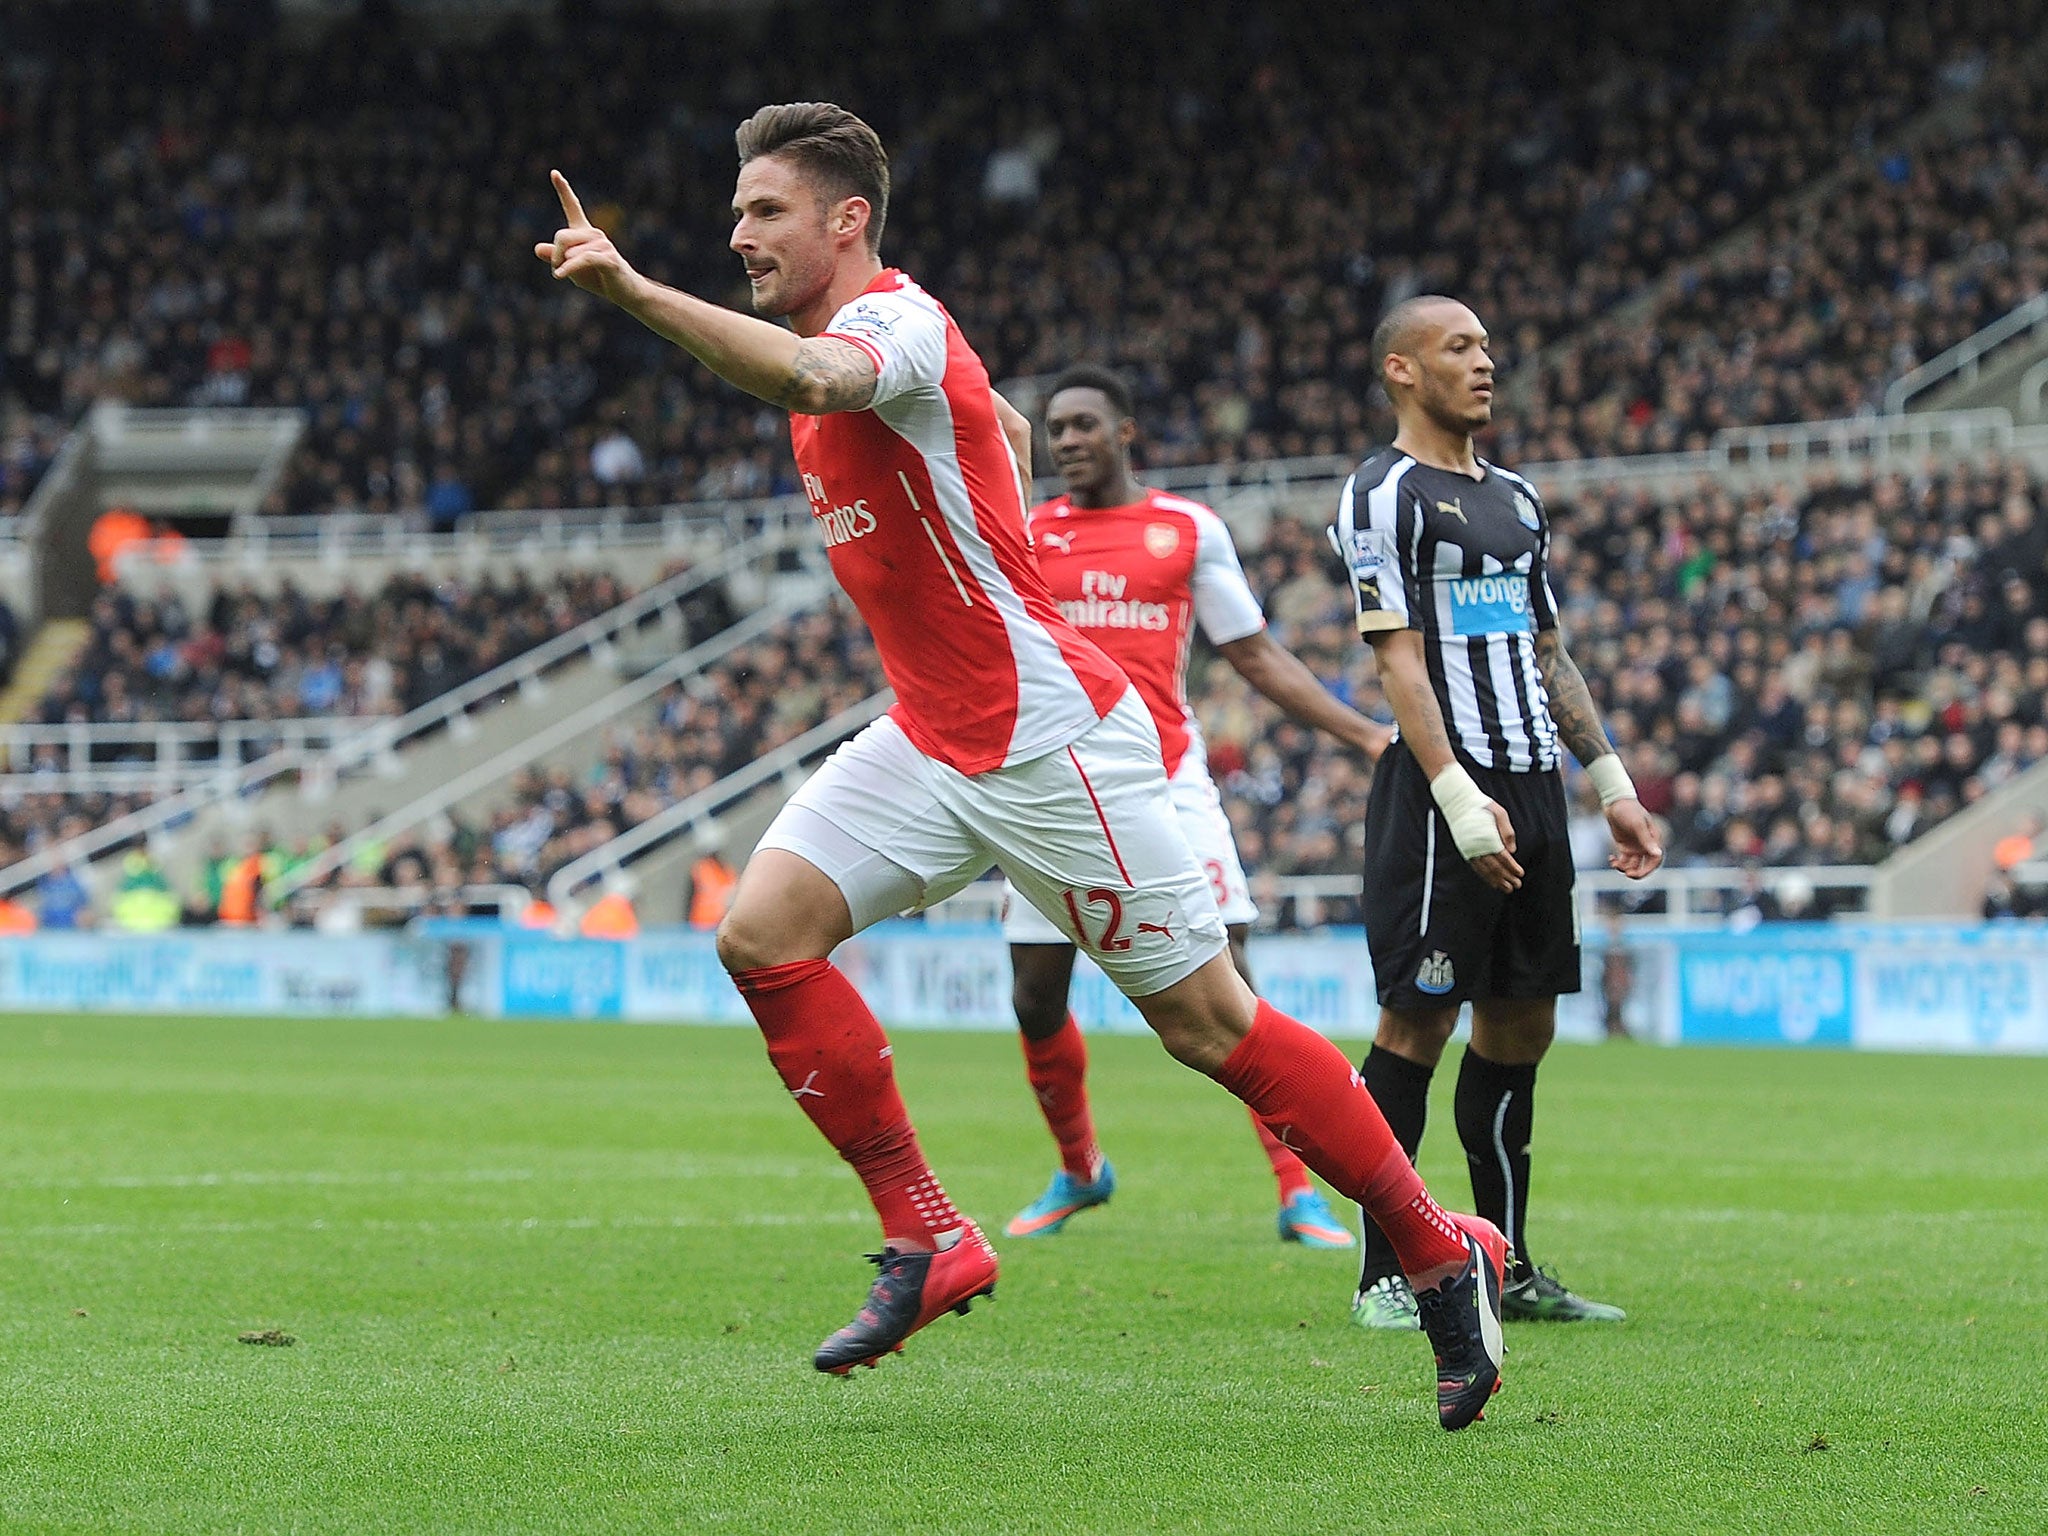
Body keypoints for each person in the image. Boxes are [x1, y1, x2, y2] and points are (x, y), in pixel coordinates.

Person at [538, 104, 1509, 1428]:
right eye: (734, 211)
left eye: (762, 211)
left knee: (1208, 1027)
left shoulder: (890, 327)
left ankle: (1440, 1255)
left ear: (847, 222)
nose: (737, 231)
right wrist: (985, 461)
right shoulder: (881, 350)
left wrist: (634, 290)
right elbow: (984, 416)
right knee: (761, 936)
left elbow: (823, 384)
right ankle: (930, 1236)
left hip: (1044, 739)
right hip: (933, 733)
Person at [1001, 364, 1390, 1251]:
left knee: (1235, 982)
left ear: (1126, 430)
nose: (1066, 442)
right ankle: (1080, 1168)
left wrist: (1361, 735)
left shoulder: (1187, 530)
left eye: (1083, 424)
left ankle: (1300, 1193)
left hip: (1165, 779)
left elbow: (1253, 654)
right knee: (1034, 998)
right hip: (1051, 789)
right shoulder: (1025, 534)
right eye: (1055, 428)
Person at [1331, 295, 1662, 1332]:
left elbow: (1546, 654)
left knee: (1520, 1026)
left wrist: (1609, 782)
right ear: (1401, 369)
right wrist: (1453, 792)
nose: (1485, 362)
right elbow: (1397, 660)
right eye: (1457, 347)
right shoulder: (1381, 493)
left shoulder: (1516, 500)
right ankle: (1386, 1271)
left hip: (1532, 781)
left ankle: (1507, 1265)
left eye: (1485, 345)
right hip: (1444, 791)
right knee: (1415, 1021)